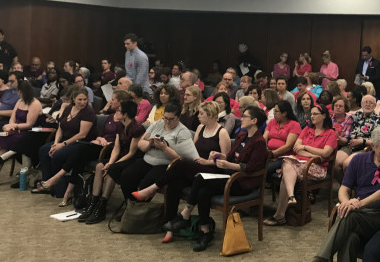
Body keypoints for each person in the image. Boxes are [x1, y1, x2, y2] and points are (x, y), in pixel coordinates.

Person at [164, 106, 268, 252]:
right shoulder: (242, 136)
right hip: (230, 176)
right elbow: (230, 156)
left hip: (243, 183)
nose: (241, 118)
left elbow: (251, 168)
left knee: (200, 178)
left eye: (244, 116)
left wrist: (228, 164)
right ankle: (205, 231)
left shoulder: (259, 142)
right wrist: (218, 156)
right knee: (203, 192)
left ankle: (186, 213)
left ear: (254, 121)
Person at [131, 101, 231, 241]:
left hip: (212, 171)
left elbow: (224, 161)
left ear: (210, 115)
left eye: (201, 113)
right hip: (197, 166)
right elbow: (193, 150)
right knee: (174, 183)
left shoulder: (222, 132)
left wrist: (208, 160)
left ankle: (152, 189)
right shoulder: (200, 128)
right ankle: (170, 228)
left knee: (180, 163)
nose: (198, 116)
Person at [312, 125, 380, 262]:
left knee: (350, 216)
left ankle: (320, 259)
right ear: (373, 147)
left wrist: (357, 205)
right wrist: (347, 202)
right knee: (350, 237)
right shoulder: (358, 160)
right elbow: (344, 189)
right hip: (359, 212)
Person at [106, 102, 199, 201]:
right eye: (165, 118)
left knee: (145, 184)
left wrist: (165, 148)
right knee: (126, 176)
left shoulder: (182, 132)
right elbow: (140, 144)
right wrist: (150, 143)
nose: (167, 121)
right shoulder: (157, 124)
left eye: (171, 119)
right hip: (148, 159)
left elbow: (181, 160)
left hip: (164, 164)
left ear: (178, 117)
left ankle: (137, 206)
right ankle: (131, 204)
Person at [265, 103, 338, 226]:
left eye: (315, 114)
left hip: (316, 167)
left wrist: (306, 147)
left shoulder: (330, 133)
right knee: (287, 162)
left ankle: (281, 213)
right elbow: (296, 147)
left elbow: (325, 153)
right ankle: (290, 199)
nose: (312, 116)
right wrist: (313, 154)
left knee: (286, 171)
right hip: (298, 163)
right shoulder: (307, 129)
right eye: (311, 114)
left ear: (324, 116)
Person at [33, 87, 96, 197]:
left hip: (79, 143)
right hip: (64, 140)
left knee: (58, 155)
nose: (83, 102)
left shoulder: (88, 112)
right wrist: (55, 143)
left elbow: (82, 134)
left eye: (85, 99)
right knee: (43, 150)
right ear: (73, 99)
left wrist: (62, 145)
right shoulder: (68, 108)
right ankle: (48, 183)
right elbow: (61, 127)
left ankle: (60, 188)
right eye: (79, 100)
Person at [264, 100, 301, 176]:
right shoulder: (272, 122)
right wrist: (264, 151)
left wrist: (272, 154)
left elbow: (288, 146)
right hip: (268, 153)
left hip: (284, 157)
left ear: (284, 113)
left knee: (265, 169)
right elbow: (264, 138)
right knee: (254, 166)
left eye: (276, 111)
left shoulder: (294, 125)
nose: (273, 113)